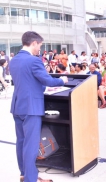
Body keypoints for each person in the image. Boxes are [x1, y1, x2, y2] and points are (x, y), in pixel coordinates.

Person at [10, 31, 68, 182]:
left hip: (18, 105)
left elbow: (26, 81)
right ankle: (30, 179)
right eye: (40, 45)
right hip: (31, 107)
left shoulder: (14, 60)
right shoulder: (34, 61)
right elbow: (48, 81)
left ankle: (25, 174)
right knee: (31, 144)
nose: (40, 49)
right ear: (34, 43)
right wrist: (62, 80)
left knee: (21, 141)